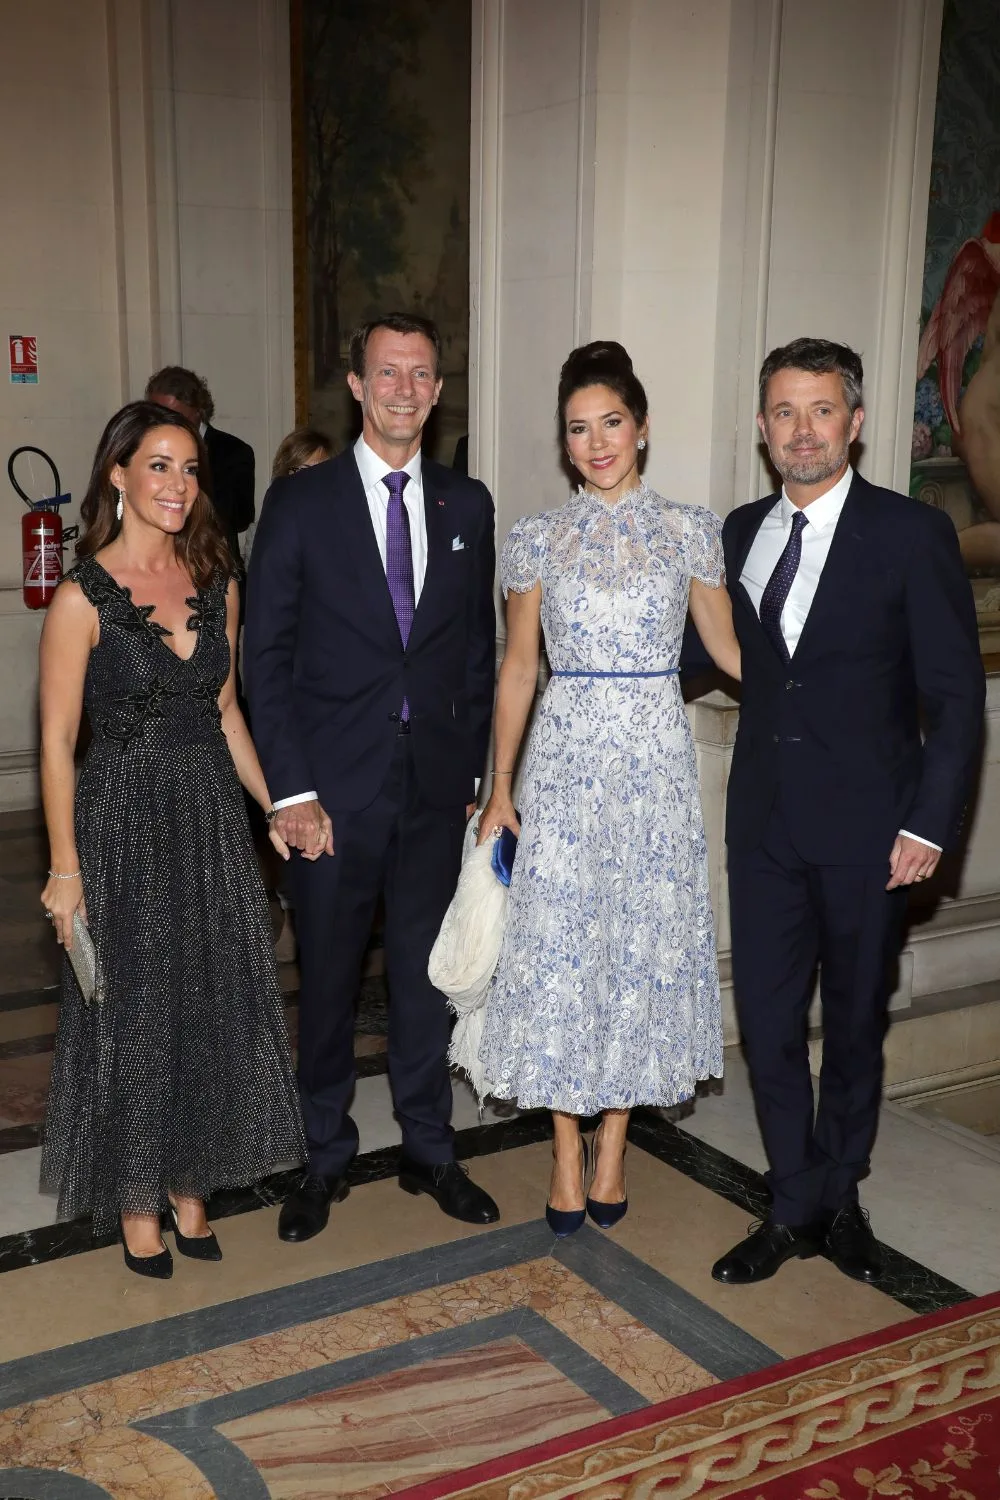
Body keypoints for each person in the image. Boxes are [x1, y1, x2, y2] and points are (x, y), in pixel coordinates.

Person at [711, 338, 985, 1287]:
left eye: (821, 410)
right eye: (785, 412)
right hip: (764, 825)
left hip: (874, 830)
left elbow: (955, 699)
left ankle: (839, 1191)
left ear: (855, 423)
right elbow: (708, 653)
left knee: (858, 1023)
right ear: (763, 427)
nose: (803, 431)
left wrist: (929, 824)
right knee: (768, 1020)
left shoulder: (912, 534)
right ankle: (796, 1200)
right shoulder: (738, 533)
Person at [244, 313, 500, 1242]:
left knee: (426, 978)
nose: (404, 389)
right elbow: (265, 657)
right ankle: (323, 1156)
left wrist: (472, 770)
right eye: (388, 372)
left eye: (421, 374)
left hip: (434, 789)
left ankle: (430, 1147)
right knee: (328, 979)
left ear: (438, 390)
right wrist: (290, 791)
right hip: (329, 798)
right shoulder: (300, 504)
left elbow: (473, 650)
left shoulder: (467, 505)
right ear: (356, 385)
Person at [476, 341, 740, 1237]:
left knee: (638, 946)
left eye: (612, 423)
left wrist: (825, 685)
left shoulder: (690, 530)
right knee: (559, 949)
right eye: (578, 429)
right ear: (564, 442)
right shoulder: (536, 538)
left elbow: (730, 651)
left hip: (654, 766)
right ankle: (563, 1150)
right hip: (564, 762)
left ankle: (615, 1143)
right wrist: (500, 788)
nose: (596, 443)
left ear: (643, 427)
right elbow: (519, 669)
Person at [37, 401, 305, 1279]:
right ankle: (137, 1201)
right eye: (159, 465)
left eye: (190, 469)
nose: (178, 485)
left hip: (210, 820)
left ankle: (193, 1183)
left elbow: (225, 712)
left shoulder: (218, 581)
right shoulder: (82, 597)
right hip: (123, 819)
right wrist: (66, 868)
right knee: (139, 1014)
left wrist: (276, 804)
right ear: (117, 474)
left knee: (210, 1004)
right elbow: (56, 742)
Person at [260, 425, 334, 963]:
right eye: (300, 471)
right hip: (290, 713)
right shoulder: (276, 535)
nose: (311, 482)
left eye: (322, 472)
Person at [146, 366, 256, 561]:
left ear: (197, 411)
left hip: (215, 564)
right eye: (156, 415)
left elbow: (240, 518)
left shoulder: (234, 451)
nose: (164, 423)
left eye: (173, 416)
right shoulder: (145, 451)